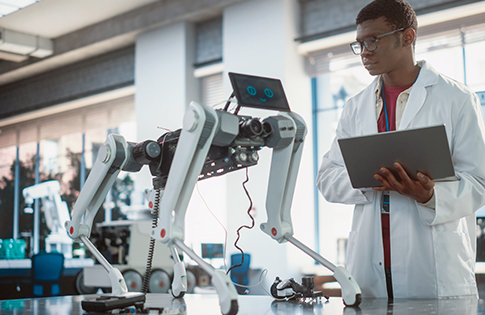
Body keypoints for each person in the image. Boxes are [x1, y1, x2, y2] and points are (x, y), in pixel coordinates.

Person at [316, 0, 485, 299]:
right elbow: (327, 178)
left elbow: (479, 182)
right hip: (370, 265)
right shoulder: (355, 107)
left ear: (407, 37)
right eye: (359, 44)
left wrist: (430, 196)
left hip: (432, 263)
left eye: (373, 40)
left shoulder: (456, 98)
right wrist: (368, 178)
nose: (365, 51)